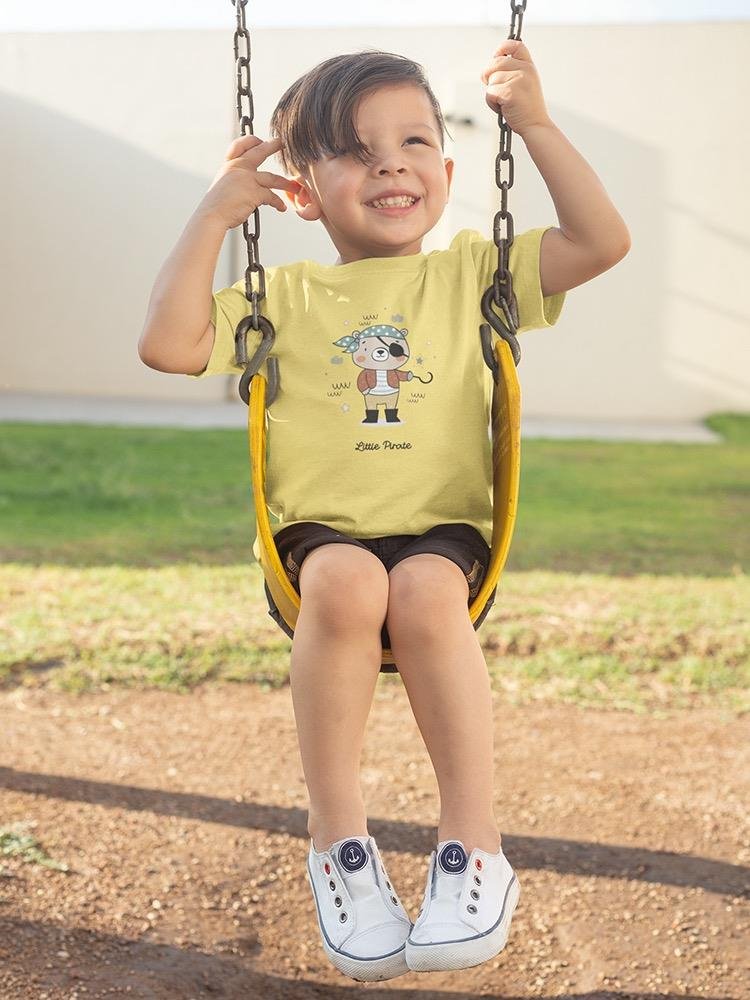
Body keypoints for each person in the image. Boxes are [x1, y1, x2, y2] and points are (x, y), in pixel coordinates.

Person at [139, 39, 630, 982]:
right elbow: (167, 345)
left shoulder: (471, 275)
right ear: (303, 192)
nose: (391, 162)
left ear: (448, 172)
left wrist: (532, 123)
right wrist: (212, 212)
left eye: (413, 141)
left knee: (427, 593)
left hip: (444, 532)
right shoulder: (279, 294)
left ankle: (473, 848)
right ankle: (339, 845)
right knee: (348, 578)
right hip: (316, 538)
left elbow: (602, 242)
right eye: (357, 150)